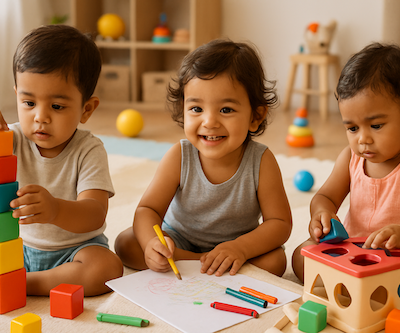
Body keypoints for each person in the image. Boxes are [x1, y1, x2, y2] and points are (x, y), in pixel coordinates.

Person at [291, 43, 400, 316]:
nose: (363, 139)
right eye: (352, 127)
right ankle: (372, 295)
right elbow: (325, 196)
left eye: (376, 126)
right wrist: (321, 213)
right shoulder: (350, 158)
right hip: (353, 256)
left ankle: (370, 295)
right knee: (302, 255)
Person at [115, 39, 292, 277]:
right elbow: (148, 209)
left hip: (237, 246)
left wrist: (240, 247)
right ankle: (203, 263)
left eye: (226, 110)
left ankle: (206, 264)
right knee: (126, 243)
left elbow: (279, 223)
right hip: (178, 242)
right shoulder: (180, 155)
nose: (209, 122)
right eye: (196, 109)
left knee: (275, 261)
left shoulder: (261, 161)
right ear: (183, 109)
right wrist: (151, 244)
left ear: (255, 116)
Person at [0, 25, 123, 296]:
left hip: (74, 253)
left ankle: (25, 283)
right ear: (16, 93)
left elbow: (94, 213)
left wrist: (56, 210)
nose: (40, 116)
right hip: (14, 245)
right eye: (29, 103)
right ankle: (6, 275)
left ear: (86, 109)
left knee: (106, 268)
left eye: (56, 106)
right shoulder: (12, 136)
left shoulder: (89, 150)